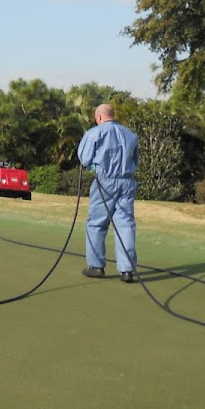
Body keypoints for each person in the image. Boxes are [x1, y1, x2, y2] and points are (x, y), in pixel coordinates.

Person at [77, 103, 140, 283]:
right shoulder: (130, 135)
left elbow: (84, 158)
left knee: (97, 223)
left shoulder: (94, 133)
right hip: (127, 182)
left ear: (99, 117)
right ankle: (127, 270)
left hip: (105, 182)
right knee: (125, 224)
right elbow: (136, 160)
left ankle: (96, 266)